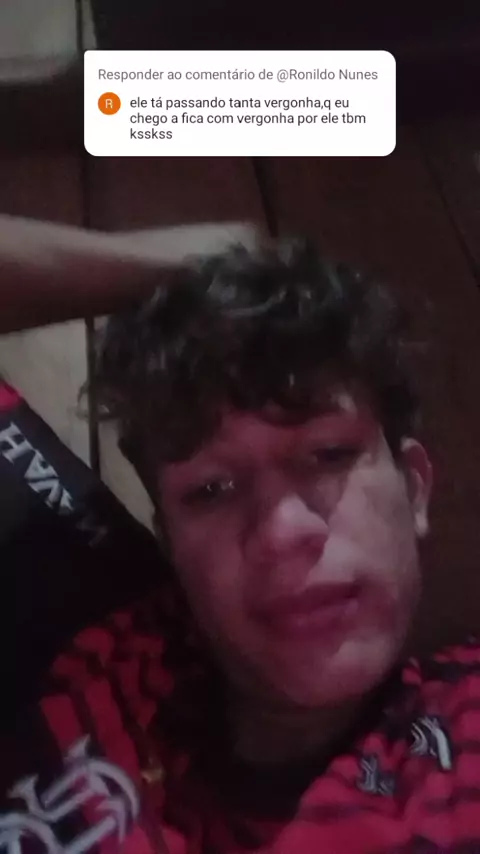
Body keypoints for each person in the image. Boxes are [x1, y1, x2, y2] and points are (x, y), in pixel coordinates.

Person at [1, 232, 479, 854]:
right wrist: (199, 265)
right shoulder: (98, 625)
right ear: (171, 540)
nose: (282, 534)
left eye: (330, 454)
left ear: (414, 489)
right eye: (210, 490)